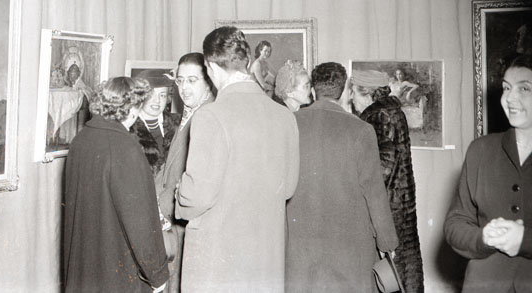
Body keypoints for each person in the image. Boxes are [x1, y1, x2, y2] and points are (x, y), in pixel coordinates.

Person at [175, 26, 299, 292]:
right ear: (246, 61)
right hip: (265, 260)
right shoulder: (285, 116)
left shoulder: (210, 116)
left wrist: (179, 195)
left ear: (211, 67)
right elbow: (288, 188)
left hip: (219, 262)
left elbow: (197, 197)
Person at [286, 62, 398, 292]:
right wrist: (387, 242)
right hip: (350, 248)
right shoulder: (361, 130)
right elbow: (374, 192)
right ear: (344, 90)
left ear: (313, 89)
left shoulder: (290, 124)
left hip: (300, 247)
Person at [63, 77, 169, 292]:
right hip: (117, 270)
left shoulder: (81, 140)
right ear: (132, 108)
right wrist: (157, 274)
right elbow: (139, 221)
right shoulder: (125, 147)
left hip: (84, 267)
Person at [444, 53, 532, 292]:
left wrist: (523, 240)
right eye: (506, 88)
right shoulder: (481, 150)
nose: (510, 98)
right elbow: (455, 224)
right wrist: (483, 238)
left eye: (524, 88)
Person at [350, 69, 424, 293]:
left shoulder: (378, 116)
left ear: (367, 93)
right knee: (401, 272)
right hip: (400, 204)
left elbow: (382, 168)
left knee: (387, 276)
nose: (351, 98)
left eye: (354, 92)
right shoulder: (392, 112)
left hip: (387, 208)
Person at [155, 52, 214, 293]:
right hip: (173, 219)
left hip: (186, 221)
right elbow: (170, 167)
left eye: (192, 80)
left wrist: (161, 204)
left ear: (208, 81)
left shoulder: (208, 115)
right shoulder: (189, 113)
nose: (184, 88)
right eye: (180, 81)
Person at [133, 70, 180, 180]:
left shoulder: (178, 124)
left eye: (162, 95)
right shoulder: (128, 127)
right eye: (151, 95)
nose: (157, 100)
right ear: (141, 96)